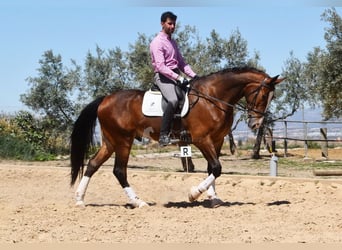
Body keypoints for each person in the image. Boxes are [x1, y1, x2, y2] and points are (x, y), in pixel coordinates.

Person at [150, 11, 197, 146]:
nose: (172, 27)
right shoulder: (157, 42)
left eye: (174, 24)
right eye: (169, 23)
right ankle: (164, 135)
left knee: (190, 97)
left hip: (175, 75)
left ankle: (183, 130)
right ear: (162, 23)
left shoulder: (173, 42)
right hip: (163, 76)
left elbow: (182, 63)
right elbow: (160, 66)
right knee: (173, 99)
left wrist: (195, 76)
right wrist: (179, 77)